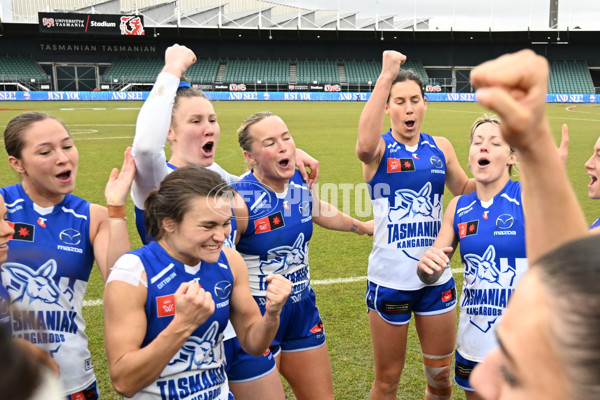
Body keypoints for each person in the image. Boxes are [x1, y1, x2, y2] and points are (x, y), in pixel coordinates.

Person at [131, 43, 320, 399]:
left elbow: (254, 180)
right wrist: (173, 68)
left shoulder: (218, 176)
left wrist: (289, 156)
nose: (209, 129)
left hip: (235, 326)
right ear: (170, 132)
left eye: (213, 120)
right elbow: (143, 148)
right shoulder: (157, 179)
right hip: (185, 336)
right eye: (195, 121)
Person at [467, 50, 593, 399]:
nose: (481, 381)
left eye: (515, 375)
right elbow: (572, 278)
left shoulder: (517, 196)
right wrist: (537, 149)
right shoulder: (462, 205)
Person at [103, 165, 292, 399]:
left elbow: (254, 344)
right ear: (169, 223)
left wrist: (272, 315)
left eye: (225, 223)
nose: (221, 236)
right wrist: (183, 324)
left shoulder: (230, 261)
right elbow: (124, 382)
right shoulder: (133, 273)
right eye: (208, 225)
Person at [355, 50, 476, 400]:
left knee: (440, 380)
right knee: (388, 381)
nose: (408, 109)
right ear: (388, 108)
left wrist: (497, 174)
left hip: (435, 278)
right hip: (390, 281)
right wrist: (385, 76)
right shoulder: (379, 150)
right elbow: (363, 146)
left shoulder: (441, 148)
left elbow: (466, 192)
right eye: (399, 102)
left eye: (415, 100)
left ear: (425, 104)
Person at [232, 111, 373, 400]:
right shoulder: (238, 200)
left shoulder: (297, 178)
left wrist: (362, 227)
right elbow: (220, 262)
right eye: (270, 142)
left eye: (286, 137)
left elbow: (315, 208)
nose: (284, 146)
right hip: (257, 317)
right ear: (250, 156)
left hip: (302, 308)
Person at [0, 111, 135, 399]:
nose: (63, 158)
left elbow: (122, 285)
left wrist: (116, 208)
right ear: (17, 163)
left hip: (73, 378)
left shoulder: (91, 216)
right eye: (46, 151)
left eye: (67, 145)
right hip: (9, 377)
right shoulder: (3, 207)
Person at [417, 115, 528, 399]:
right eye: (477, 142)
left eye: (494, 142)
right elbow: (432, 268)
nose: (483, 148)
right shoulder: (458, 207)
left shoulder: (528, 197)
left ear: (512, 156)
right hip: (474, 343)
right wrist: (426, 267)